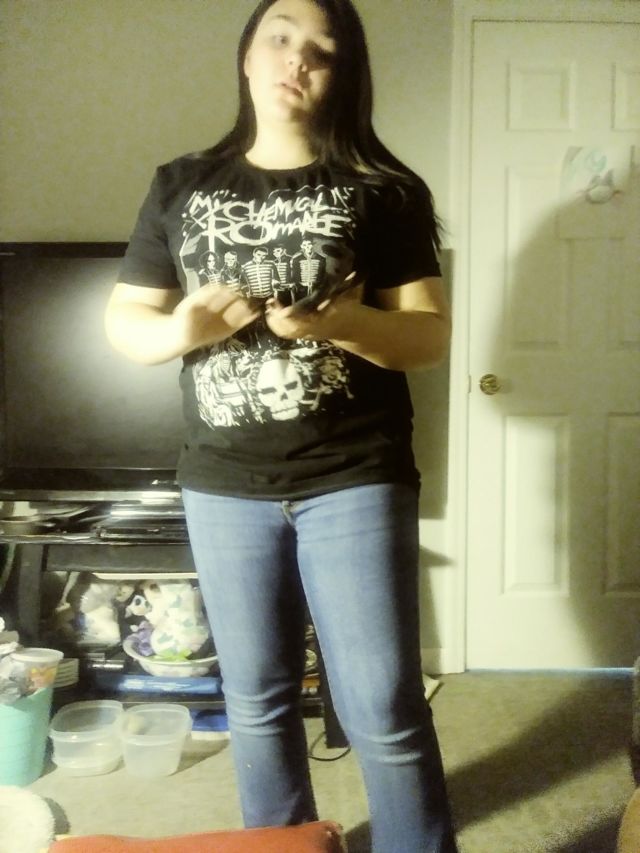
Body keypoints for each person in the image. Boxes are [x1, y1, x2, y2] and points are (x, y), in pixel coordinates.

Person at [104, 1, 458, 851]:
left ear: (343, 75)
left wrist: (345, 324)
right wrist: (185, 330)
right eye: (281, 37)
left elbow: (428, 336)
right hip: (223, 482)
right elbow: (125, 324)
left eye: (322, 50)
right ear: (248, 54)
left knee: (383, 704)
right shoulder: (180, 184)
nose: (298, 58)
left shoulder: (387, 189)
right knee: (258, 701)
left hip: (355, 475)